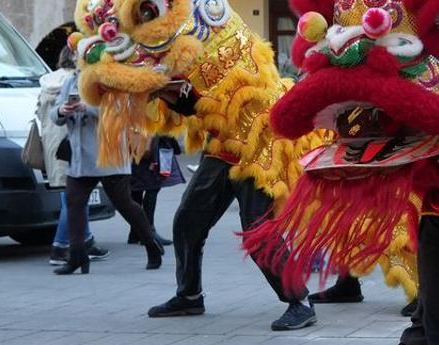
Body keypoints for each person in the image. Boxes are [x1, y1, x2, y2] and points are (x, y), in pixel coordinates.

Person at [145, 79, 315, 331]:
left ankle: (300, 301)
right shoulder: (184, 54)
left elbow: (216, 97)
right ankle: (189, 295)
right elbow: (197, 104)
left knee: (258, 230)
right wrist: (160, 89)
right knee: (187, 221)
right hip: (221, 146)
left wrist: (170, 89)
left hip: (257, 146)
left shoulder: (230, 44)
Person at [51, 69, 163, 274]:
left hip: (109, 156)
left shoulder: (112, 78)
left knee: (125, 204)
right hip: (80, 157)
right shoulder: (72, 79)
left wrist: (87, 107)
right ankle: (77, 256)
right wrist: (62, 111)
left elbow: (121, 110)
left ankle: (150, 243)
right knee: (73, 202)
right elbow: (54, 111)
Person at [39, 48, 108, 266]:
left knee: (74, 197)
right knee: (71, 199)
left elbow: (46, 114)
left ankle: (85, 241)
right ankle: (60, 247)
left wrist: (61, 112)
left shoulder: (46, 81)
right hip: (70, 145)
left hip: (53, 144)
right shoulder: (73, 81)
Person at [128, 136, 182, 246]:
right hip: (151, 148)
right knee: (151, 188)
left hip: (136, 145)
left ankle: (136, 232)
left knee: (137, 189)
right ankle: (148, 232)